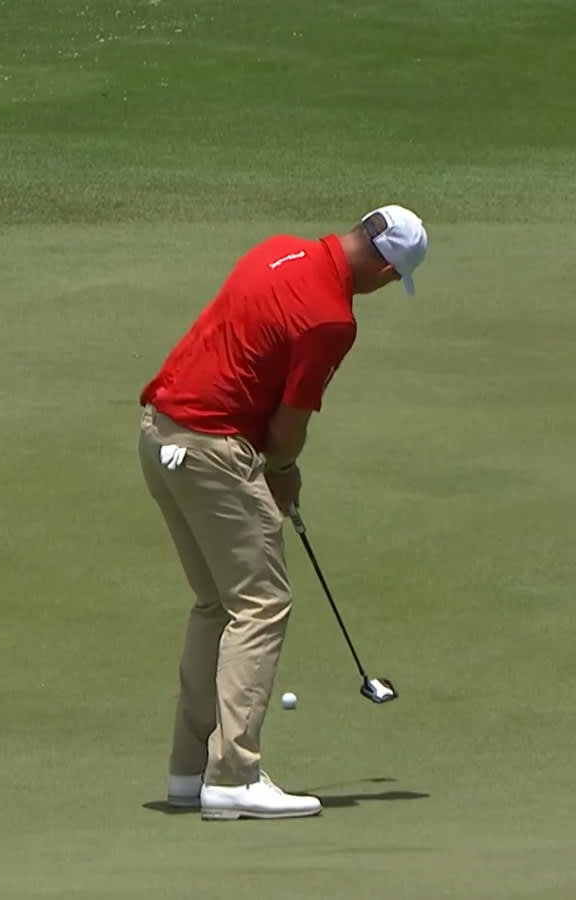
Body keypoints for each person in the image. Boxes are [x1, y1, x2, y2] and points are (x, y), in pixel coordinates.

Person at [136, 205, 429, 820]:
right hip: (212, 446)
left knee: (218, 602)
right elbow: (289, 423)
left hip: (160, 435)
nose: (379, 289)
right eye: (388, 278)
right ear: (380, 265)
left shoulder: (277, 249)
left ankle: (190, 772)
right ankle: (234, 777)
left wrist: (272, 468)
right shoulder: (332, 318)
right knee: (261, 602)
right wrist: (282, 472)